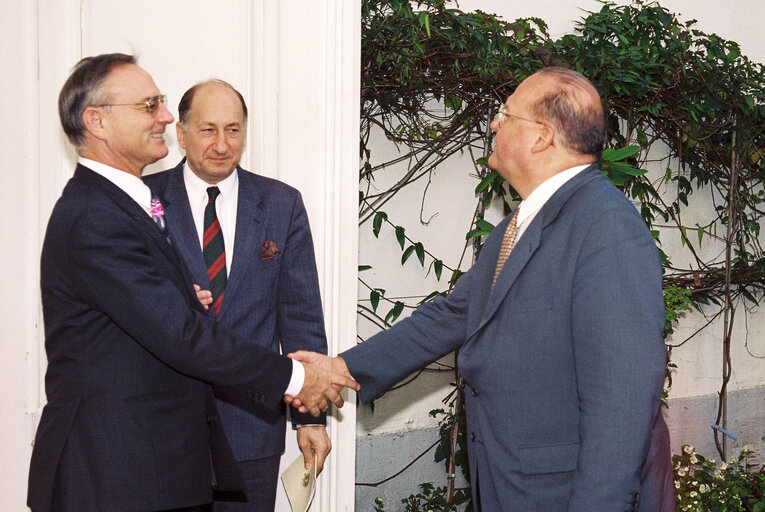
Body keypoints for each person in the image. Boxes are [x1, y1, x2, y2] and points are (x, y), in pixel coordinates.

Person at [290, 67, 674, 511]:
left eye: (506, 114)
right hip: (507, 485)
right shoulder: (515, 228)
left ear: (542, 137)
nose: (494, 123)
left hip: (562, 495)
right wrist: (340, 368)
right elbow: (452, 315)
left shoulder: (605, 226)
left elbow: (621, 404)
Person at [28, 53, 357, 512]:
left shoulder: (124, 205)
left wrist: (309, 414)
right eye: (149, 106)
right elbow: (180, 334)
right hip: (116, 468)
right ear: (96, 121)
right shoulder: (99, 217)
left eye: (161, 103)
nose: (163, 115)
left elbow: (163, 314)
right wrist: (299, 377)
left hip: (183, 453)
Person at [144, 80, 330, 512]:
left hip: (251, 428)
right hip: (163, 426)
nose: (221, 145)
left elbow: (301, 315)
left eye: (233, 130)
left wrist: (310, 417)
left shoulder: (282, 204)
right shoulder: (144, 200)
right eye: (208, 130)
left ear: (246, 134)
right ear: (182, 133)